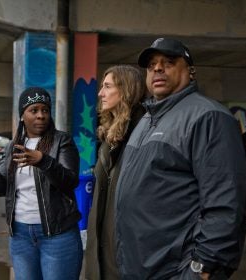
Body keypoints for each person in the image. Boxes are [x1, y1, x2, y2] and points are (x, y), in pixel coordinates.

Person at [114, 38, 246, 280]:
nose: (157, 68)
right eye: (152, 64)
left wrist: (202, 268)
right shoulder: (147, 119)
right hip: (141, 266)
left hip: (176, 270)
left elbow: (227, 203)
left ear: (191, 71)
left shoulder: (208, 117)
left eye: (168, 62)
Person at [0, 87, 83, 280]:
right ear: (22, 115)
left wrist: (43, 161)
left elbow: (70, 181)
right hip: (20, 235)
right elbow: (0, 189)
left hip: (57, 235)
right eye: (33, 110)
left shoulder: (62, 141)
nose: (41, 115)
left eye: (45, 110)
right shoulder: (13, 146)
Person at [84, 65, 146, 280]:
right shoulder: (109, 137)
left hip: (128, 255)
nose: (100, 93)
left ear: (127, 90)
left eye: (107, 86)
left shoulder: (144, 135)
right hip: (102, 251)